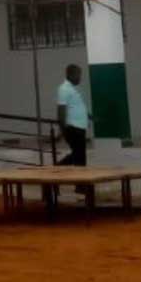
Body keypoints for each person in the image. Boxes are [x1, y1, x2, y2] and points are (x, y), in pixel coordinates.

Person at [55, 63, 93, 201]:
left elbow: (77, 107)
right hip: (72, 128)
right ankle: (57, 170)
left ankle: (78, 184)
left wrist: (89, 116)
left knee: (79, 156)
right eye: (78, 75)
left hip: (79, 128)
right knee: (79, 156)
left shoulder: (73, 89)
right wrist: (63, 130)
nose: (80, 77)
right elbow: (61, 112)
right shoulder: (63, 89)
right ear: (70, 74)